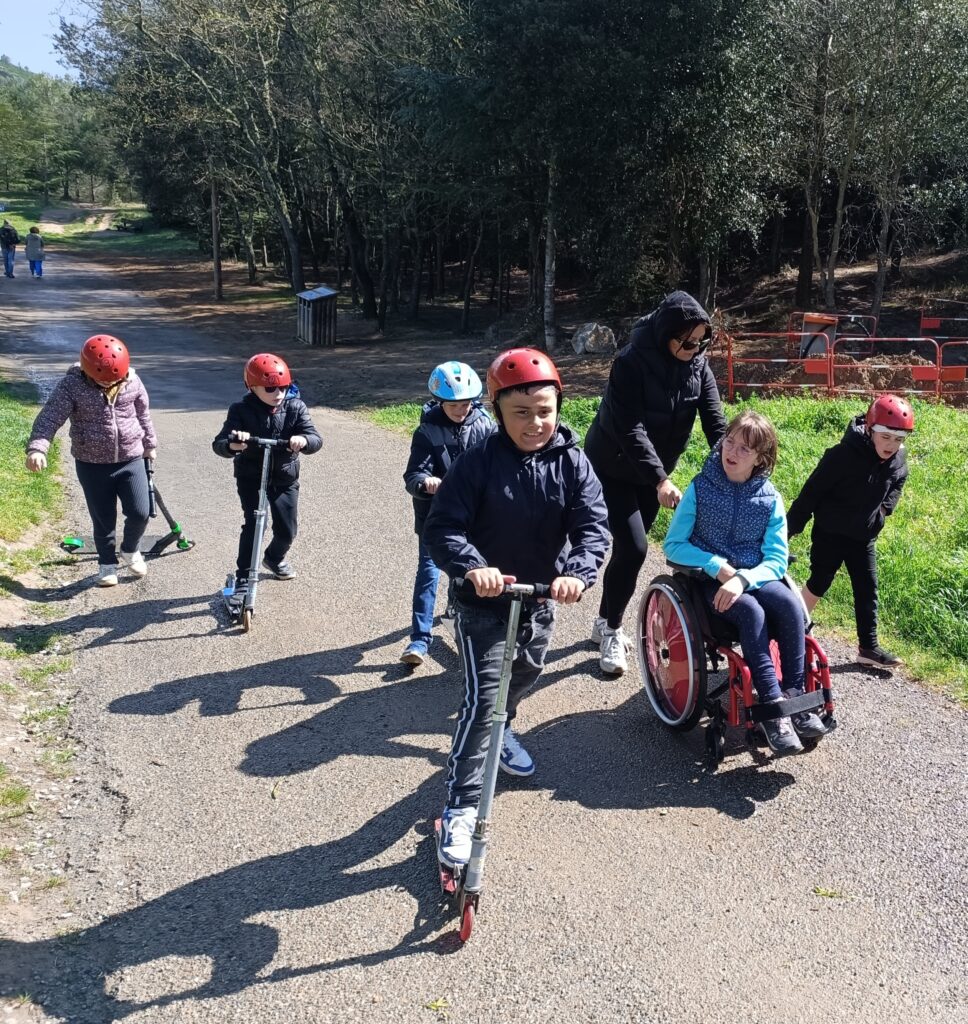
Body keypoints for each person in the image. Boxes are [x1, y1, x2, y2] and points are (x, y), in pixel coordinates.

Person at [424, 347, 610, 868]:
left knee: (524, 676)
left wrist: (577, 571)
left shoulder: (573, 461)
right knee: (483, 699)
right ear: (498, 410)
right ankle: (460, 806)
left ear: (558, 406)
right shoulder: (477, 462)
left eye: (544, 411)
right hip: (484, 603)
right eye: (521, 413)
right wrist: (472, 566)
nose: (535, 423)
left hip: (539, 600)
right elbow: (443, 528)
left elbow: (593, 526)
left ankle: (505, 726)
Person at [663, 409, 827, 756]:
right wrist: (716, 566)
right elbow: (673, 544)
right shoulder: (700, 488)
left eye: (744, 449)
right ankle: (772, 709)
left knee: (787, 604)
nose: (732, 453)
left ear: (760, 458)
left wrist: (744, 578)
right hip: (708, 581)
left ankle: (795, 699)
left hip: (753, 576)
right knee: (751, 612)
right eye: (730, 442)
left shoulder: (769, 498)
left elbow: (777, 559)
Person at [583, 290, 727, 676]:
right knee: (634, 547)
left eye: (700, 341)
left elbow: (715, 422)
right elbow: (629, 429)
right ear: (666, 332)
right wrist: (661, 479)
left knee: (629, 551)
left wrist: (735, 465)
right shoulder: (630, 363)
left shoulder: (699, 365)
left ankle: (602, 619)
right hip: (611, 466)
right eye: (685, 340)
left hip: (652, 471)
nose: (693, 348)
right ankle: (613, 632)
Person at [787, 394, 913, 669]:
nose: (892, 445)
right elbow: (811, 494)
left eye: (899, 439)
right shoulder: (842, 455)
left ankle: (868, 648)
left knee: (867, 588)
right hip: (830, 532)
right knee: (819, 581)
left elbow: (899, 481)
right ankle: (789, 634)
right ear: (870, 430)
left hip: (863, 536)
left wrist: (883, 512)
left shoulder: (898, 460)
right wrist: (787, 532)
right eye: (886, 436)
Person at [25, 335, 157, 587]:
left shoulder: (133, 382)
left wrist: (150, 445)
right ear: (87, 369)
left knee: (140, 512)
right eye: (102, 379)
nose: (109, 383)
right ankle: (106, 564)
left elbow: (143, 414)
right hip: (91, 464)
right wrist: (38, 448)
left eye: (114, 378)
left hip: (130, 459)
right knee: (103, 518)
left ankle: (130, 549)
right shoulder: (71, 386)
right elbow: (50, 417)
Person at [400, 360, 493, 667]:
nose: (461, 409)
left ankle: (473, 630)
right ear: (439, 401)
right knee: (428, 573)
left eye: (466, 403)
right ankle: (420, 639)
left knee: (471, 573)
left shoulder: (486, 427)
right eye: (453, 404)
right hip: (435, 517)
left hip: (476, 518)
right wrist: (425, 483)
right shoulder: (427, 431)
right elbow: (413, 475)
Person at [212, 353, 321, 604]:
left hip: (284, 478)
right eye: (271, 388)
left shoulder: (296, 407)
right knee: (254, 525)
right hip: (251, 477)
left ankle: (273, 558)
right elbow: (219, 443)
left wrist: (303, 441)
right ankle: (243, 577)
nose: (278, 393)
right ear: (253, 387)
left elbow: (315, 439)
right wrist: (233, 445)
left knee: (287, 529)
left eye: (283, 387)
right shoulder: (240, 410)